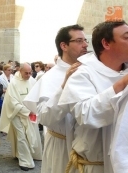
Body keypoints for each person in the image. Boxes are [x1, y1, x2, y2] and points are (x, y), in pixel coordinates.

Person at [58, 20, 128, 173]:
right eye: (126, 37)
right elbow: (85, 114)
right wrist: (122, 84)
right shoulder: (83, 74)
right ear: (106, 43)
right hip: (94, 166)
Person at [23, 24, 87, 173]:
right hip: (61, 148)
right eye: (79, 41)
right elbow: (45, 118)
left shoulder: (89, 71)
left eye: (85, 41)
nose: (85, 45)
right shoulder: (50, 78)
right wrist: (64, 87)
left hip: (89, 148)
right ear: (64, 45)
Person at [0, 63, 42, 171]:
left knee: (32, 134)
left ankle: (33, 155)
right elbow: (12, 102)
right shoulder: (13, 83)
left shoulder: (32, 80)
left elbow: (38, 95)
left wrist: (35, 109)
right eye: (26, 73)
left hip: (30, 114)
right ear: (20, 71)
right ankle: (25, 161)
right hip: (17, 114)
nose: (28, 75)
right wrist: (26, 111)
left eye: (30, 72)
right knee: (21, 137)